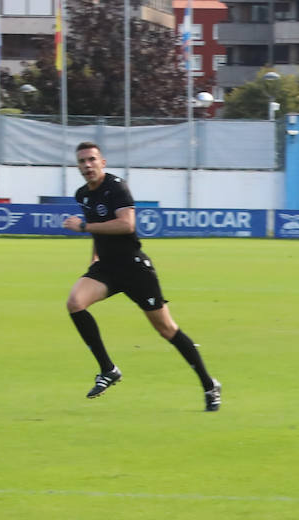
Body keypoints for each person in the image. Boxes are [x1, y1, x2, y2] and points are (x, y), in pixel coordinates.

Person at [60, 141, 220, 411]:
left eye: (91, 160)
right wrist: (94, 261)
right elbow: (98, 233)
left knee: (166, 329)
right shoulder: (82, 194)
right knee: (75, 303)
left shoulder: (117, 187)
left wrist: (84, 226)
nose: (87, 166)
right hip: (106, 269)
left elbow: (127, 224)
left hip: (134, 269)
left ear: (103, 162)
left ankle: (209, 385)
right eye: (81, 162)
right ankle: (108, 369)